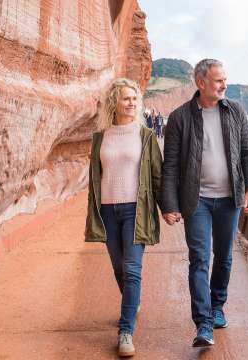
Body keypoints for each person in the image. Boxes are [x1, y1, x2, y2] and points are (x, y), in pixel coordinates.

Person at [160, 58, 248, 347]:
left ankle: (217, 307)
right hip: (197, 201)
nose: (224, 85)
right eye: (218, 80)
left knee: (225, 257)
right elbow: (171, 166)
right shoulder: (180, 118)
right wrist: (169, 203)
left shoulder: (235, 111)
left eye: (224, 79)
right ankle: (203, 323)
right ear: (201, 83)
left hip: (230, 200)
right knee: (200, 259)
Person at [84, 78, 163, 357]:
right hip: (107, 210)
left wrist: (168, 208)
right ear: (114, 102)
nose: (131, 103)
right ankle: (133, 301)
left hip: (135, 210)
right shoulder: (100, 138)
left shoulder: (145, 136)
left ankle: (125, 331)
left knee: (132, 270)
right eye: (126, 98)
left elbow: (157, 176)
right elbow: (97, 176)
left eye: (134, 98)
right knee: (119, 269)